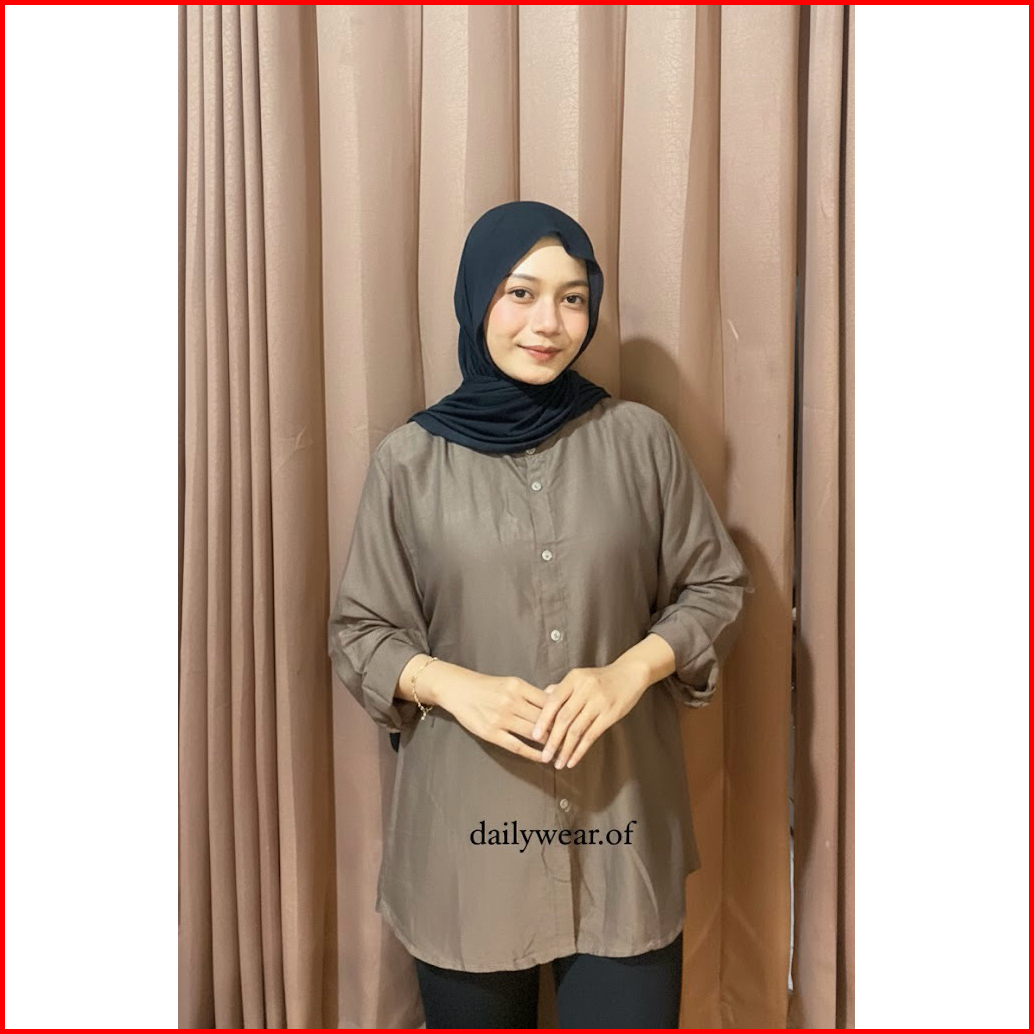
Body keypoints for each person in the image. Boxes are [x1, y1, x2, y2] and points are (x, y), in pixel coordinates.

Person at [327, 200, 753, 1028]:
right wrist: (452, 685)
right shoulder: (409, 463)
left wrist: (631, 671)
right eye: (520, 293)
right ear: (477, 297)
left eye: (573, 298)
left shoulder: (640, 441)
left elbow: (716, 587)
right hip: (465, 844)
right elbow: (360, 632)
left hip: (621, 829)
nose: (548, 323)